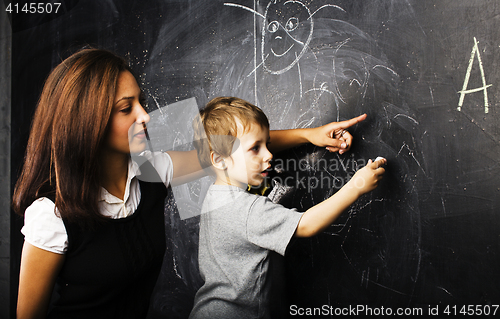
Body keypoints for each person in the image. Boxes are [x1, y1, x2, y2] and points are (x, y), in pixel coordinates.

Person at [12, 49, 365, 319]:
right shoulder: (51, 215)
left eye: (142, 102)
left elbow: (228, 147)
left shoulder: (150, 173)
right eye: (126, 108)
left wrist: (311, 135)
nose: (145, 116)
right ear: (87, 121)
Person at [189, 97, 386, 319]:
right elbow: (306, 225)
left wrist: (312, 135)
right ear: (220, 160)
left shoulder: (216, 196)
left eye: (267, 143)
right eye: (256, 148)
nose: (269, 154)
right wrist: (356, 186)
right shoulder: (245, 209)